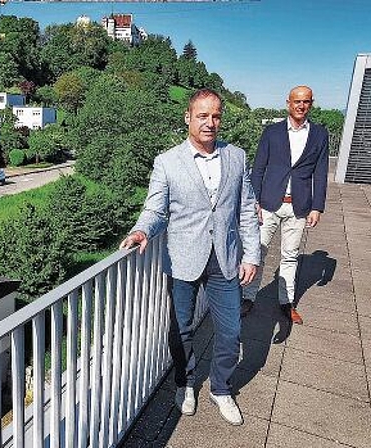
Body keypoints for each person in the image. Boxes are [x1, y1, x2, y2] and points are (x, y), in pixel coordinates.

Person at [120, 89, 260, 426]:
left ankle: (221, 389)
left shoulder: (237, 157)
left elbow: (245, 210)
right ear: (188, 117)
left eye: (215, 116)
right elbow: (155, 209)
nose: (210, 123)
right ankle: (185, 385)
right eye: (202, 116)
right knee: (180, 329)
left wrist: (252, 255)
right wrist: (142, 231)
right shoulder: (167, 162)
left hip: (225, 260)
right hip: (183, 259)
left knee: (230, 330)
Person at [241, 86, 329, 324]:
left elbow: (321, 173)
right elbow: (258, 168)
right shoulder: (272, 132)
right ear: (288, 103)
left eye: (306, 101)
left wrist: (317, 207)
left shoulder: (320, 135)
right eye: (297, 101)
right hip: (268, 203)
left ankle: (286, 303)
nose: (301, 105)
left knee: (290, 256)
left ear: (311, 104)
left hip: (299, 206)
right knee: (257, 251)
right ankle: (248, 298)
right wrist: (254, 201)